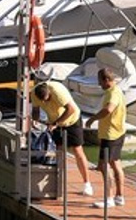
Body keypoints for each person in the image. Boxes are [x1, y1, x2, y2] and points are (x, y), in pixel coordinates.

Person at [30, 77, 93, 196]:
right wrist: (35, 120)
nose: (45, 103)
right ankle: (58, 181)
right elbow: (36, 109)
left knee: (77, 150)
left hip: (71, 120)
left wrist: (56, 123)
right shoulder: (34, 93)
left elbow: (71, 109)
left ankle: (87, 183)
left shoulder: (58, 91)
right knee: (58, 151)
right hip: (54, 122)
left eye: (47, 100)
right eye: (42, 101)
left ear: (50, 93)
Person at [84, 67, 127, 208]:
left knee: (103, 166)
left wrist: (93, 119)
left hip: (110, 134)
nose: (99, 84)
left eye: (100, 81)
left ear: (106, 80)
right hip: (118, 132)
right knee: (115, 163)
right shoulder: (118, 91)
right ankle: (119, 196)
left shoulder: (112, 93)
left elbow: (108, 110)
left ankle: (109, 198)